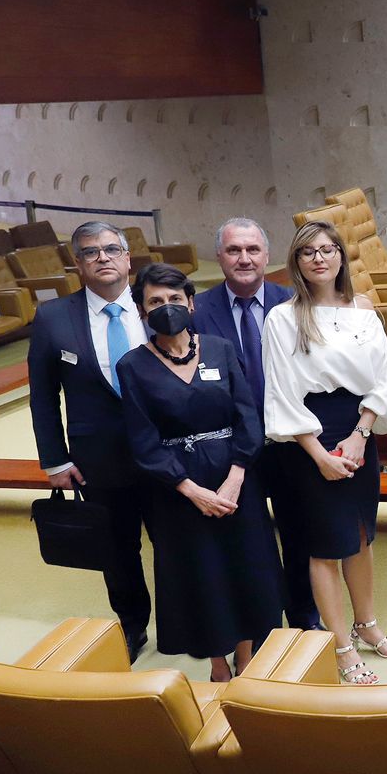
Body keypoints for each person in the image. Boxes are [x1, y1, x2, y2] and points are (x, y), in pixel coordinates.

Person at [118, 263, 284, 681]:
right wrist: (191, 490)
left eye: (175, 299)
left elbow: (247, 414)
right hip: (177, 488)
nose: (166, 307)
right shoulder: (132, 366)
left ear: (191, 303)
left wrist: (234, 478)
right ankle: (216, 664)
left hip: (236, 478)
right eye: (155, 301)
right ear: (141, 309)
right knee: (202, 572)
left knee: (245, 565)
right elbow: (143, 439)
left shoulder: (220, 347)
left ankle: (246, 656)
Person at [263, 221, 387, 684]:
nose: (320, 258)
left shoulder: (364, 311)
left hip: (357, 427)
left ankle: (367, 625)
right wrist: (319, 454)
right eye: (309, 252)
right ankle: (341, 645)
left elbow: (383, 379)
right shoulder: (282, 318)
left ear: (342, 257)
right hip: (308, 435)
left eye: (328, 250)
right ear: (296, 262)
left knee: (360, 536)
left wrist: (362, 434)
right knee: (325, 546)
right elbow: (282, 394)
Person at [27, 221, 153, 662]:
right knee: (118, 550)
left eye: (111, 249)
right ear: (77, 263)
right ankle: (134, 626)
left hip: (168, 454)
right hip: (98, 459)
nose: (103, 257)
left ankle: (184, 623)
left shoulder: (155, 304)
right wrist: (55, 461)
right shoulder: (53, 317)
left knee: (180, 544)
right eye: (91, 251)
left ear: (127, 258)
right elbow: (43, 396)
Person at [191, 217, 316, 631]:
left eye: (252, 250)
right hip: (229, 448)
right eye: (233, 250)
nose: (244, 259)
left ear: (267, 255)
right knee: (248, 539)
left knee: (299, 531)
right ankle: (261, 620)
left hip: (290, 440)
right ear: (219, 257)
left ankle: (303, 615)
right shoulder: (197, 309)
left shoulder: (295, 302)